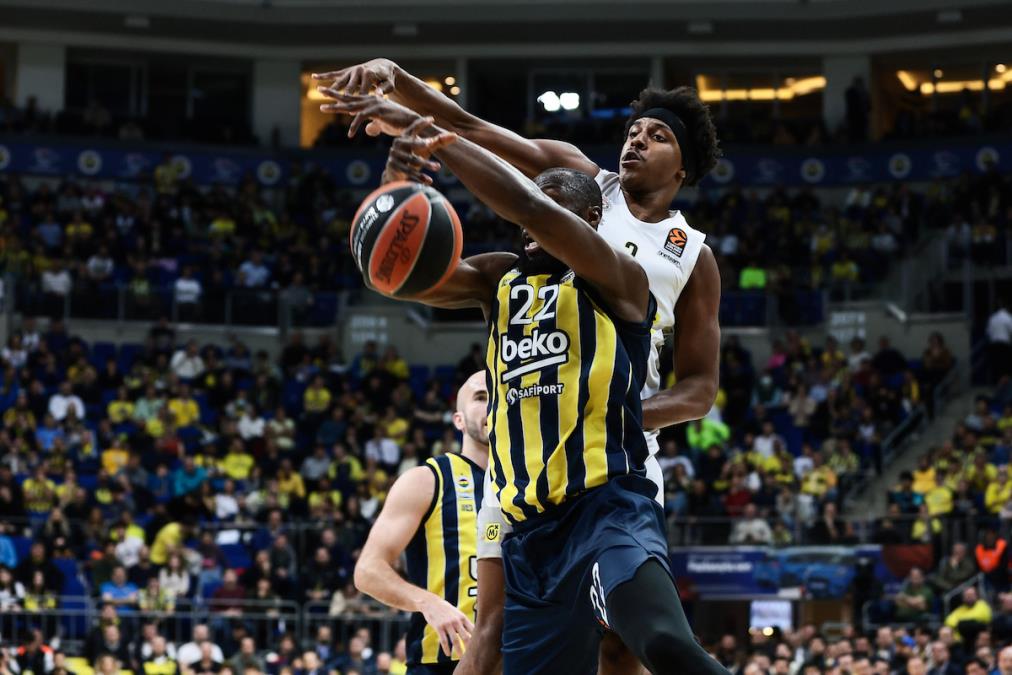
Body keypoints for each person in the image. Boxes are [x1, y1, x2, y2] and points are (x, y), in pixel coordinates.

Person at [316, 59, 722, 675]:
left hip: (610, 459)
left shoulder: (681, 256)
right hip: (520, 472)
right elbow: (471, 129)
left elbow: (699, 388)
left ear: (683, 168)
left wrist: (612, 410)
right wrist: (397, 89)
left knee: (628, 642)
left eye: (657, 136)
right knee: (493, 631)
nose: (637, 140)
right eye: (633, 130)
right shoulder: (570, 193)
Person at [353, 372, 489, 675]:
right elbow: (367, 571)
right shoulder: (427, 480)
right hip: (440, 662)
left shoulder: (531, 487)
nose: (492, 404)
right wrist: (427, 602)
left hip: (514, 660)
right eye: (481, 397)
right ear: (458, 420)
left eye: (500, 396)